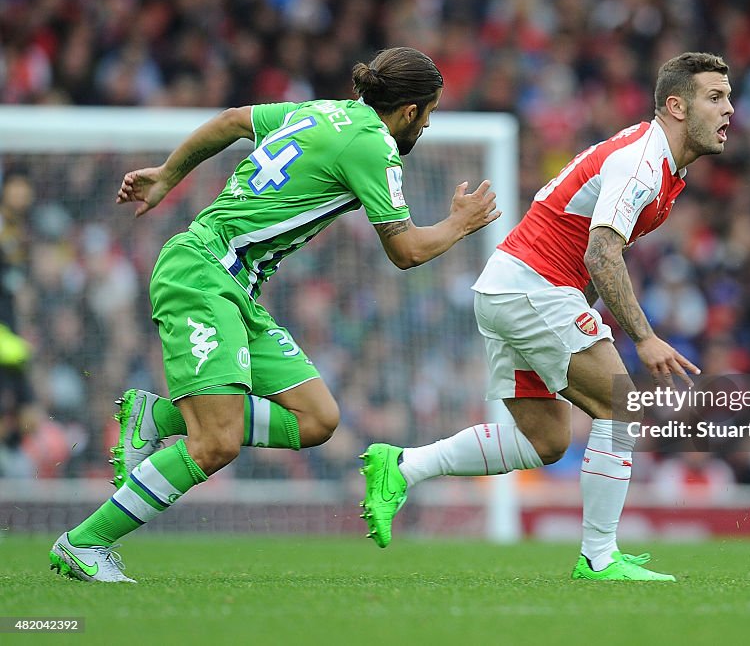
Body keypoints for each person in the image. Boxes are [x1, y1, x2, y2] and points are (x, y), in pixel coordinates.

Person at [48, 46, 500, 582]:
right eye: (430, 113)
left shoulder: (318, 111)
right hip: (202, 275)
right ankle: (85, 542)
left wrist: (169, 175)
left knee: (317, 420)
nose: (427, 124)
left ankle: (159, 418)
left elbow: (232, 121)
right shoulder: (373, 144)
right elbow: (406, 252)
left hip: (235, 286)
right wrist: (461, 223)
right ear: (410, 111)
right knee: (215, 442)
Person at [360, 52, 733, 581]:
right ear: (676, 106)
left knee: (545, 440)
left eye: (728, 97)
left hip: (515, 287)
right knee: (621, 404)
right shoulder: (643, 161)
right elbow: (601, 255)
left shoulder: (661, 166)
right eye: (714, 97)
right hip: (534, 287)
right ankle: (599, 557)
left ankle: (403, 466)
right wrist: (643, 338)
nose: (728, 110)